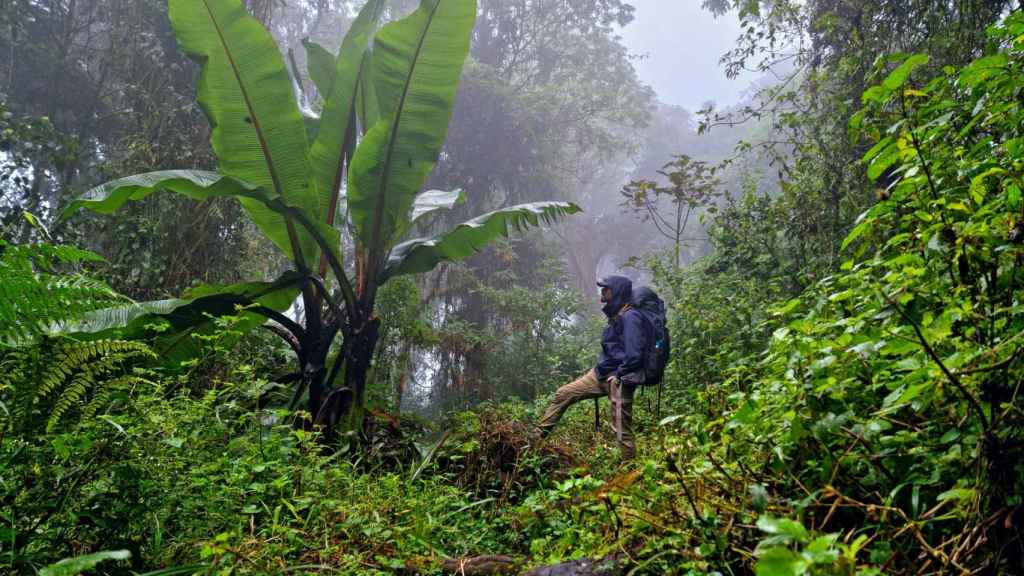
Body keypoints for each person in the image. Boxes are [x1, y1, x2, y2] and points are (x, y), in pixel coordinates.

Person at [538, 275, 648, 460]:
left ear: (617, 291)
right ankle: (534, 441)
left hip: (619, 379)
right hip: (600, 374)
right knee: (563, 394)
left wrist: (619, 375)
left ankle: (629, 472)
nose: (602, 291)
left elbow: (635, 354)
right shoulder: (617, 313)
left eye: (606, 288)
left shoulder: (631, 317)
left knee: (622, 429)